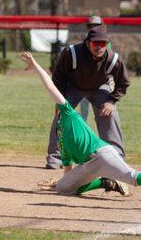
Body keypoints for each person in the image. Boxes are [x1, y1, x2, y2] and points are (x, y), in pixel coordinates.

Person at [22, 51, 141, 199]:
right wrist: (64, 181)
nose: (56, 105)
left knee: (131, 176)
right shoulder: (60, 136)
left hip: (103, 156)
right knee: (63, 188)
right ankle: (105, 182)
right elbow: (67, 165)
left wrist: (35, 66)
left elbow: (50, 87)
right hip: (87, 165)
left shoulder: (70, 114)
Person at [45, 25, 130, 169]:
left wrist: (111, 101)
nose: (100, 47)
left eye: (103, 43)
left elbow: (123, 83)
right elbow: (58, 77)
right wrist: (59, 100)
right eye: (96, 43)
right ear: (87, 42)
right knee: (62, 115)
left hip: (99, 88)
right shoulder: (71, 53)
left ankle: (116, 157)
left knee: (110, 114)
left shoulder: (113, 59)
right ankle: (56, 157)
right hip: (73, 87)